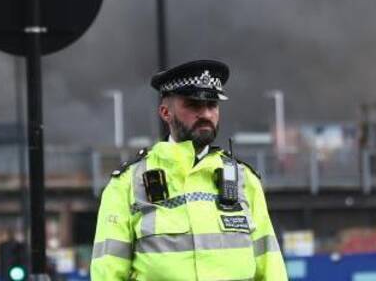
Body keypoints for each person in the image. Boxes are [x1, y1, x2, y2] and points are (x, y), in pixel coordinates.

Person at [91, 59, 288, 280]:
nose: (205, 114)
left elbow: (271, 268)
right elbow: (107, 274)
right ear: (166, 113)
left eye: (212, 105)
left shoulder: (245, 180)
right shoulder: (126, 184)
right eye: (193, 105)